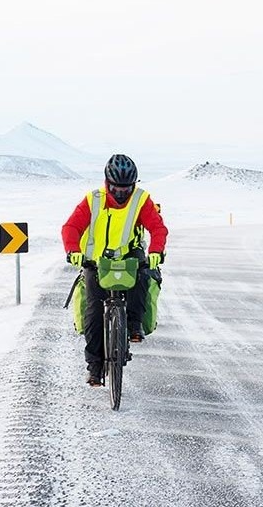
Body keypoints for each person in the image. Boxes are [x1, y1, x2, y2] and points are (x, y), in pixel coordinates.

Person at [62, 153, 168, 386]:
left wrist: (156, 252)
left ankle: (134, 324)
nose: (121, 193)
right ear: (106, 183)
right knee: (94, 310)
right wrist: (73, 250)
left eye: (126, 189)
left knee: (143, 275)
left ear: (133, 185)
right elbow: (71, 227)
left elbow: (158, 228)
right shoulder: (93, 200)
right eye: (115, 188)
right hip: (96, 261)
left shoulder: (141, 200)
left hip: (129, 254)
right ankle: (95, 366)